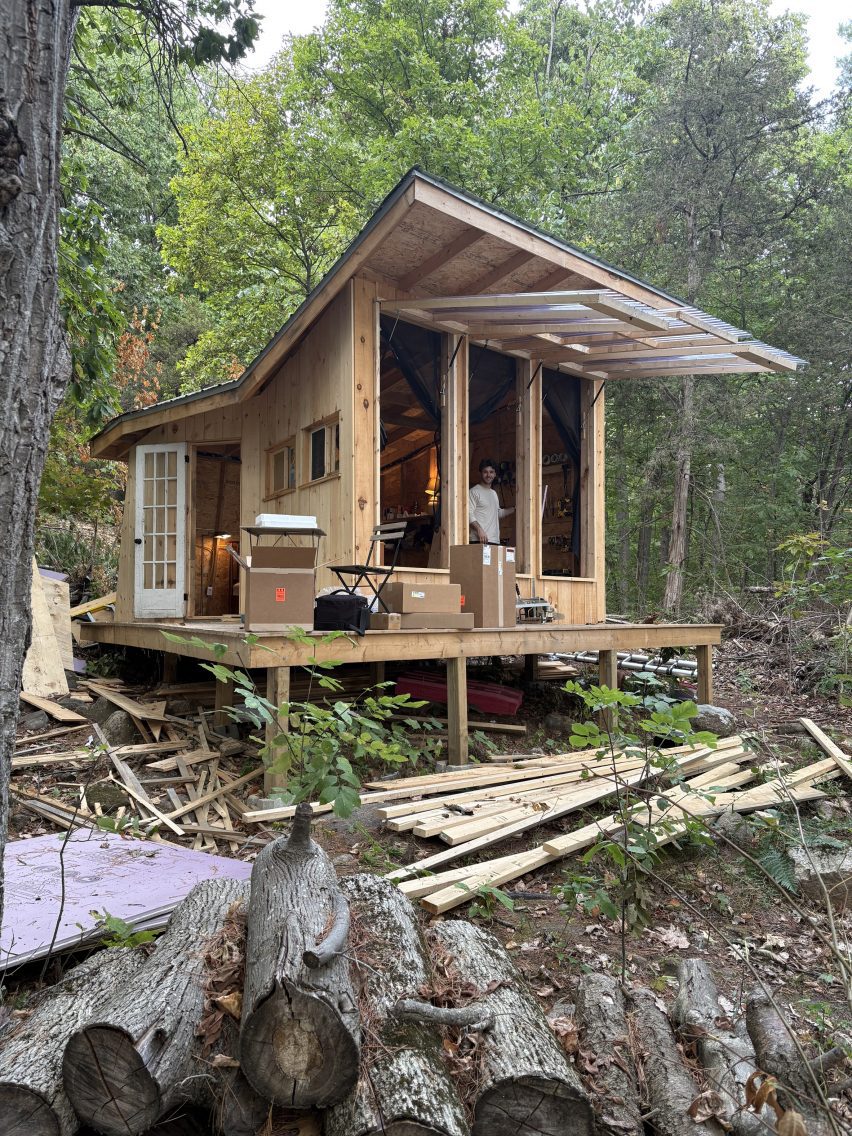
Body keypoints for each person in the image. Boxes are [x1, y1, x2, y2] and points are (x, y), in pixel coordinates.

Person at [469, 458, 514, 544]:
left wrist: (514, 509)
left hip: (494, 540)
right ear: (481, 473)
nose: (488, 475)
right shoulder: (474, 492)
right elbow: (468, 514)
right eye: (485, 472)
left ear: (495, 474)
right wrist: (479, 529)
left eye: (491, 472)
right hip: (479, 540)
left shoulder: (493, 493)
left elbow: (497, 513)